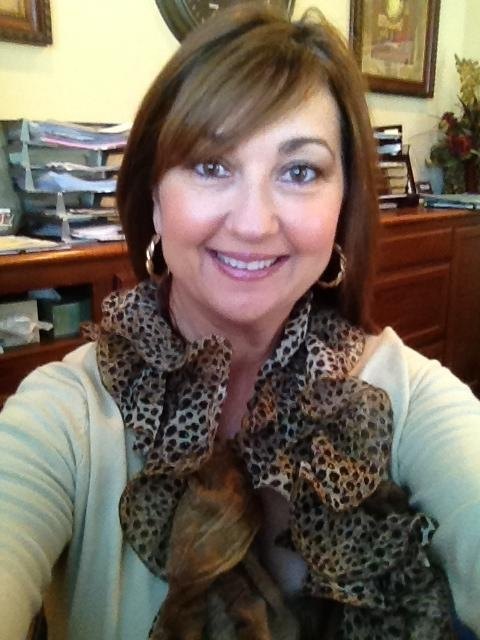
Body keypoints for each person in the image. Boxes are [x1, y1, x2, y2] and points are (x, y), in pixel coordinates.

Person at [0, 4, 479, 639]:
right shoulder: (64, 418)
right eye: (211, 165)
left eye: (299, 171)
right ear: (154, 198)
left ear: (344, 204)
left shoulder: (409, 399)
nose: (254, 223)